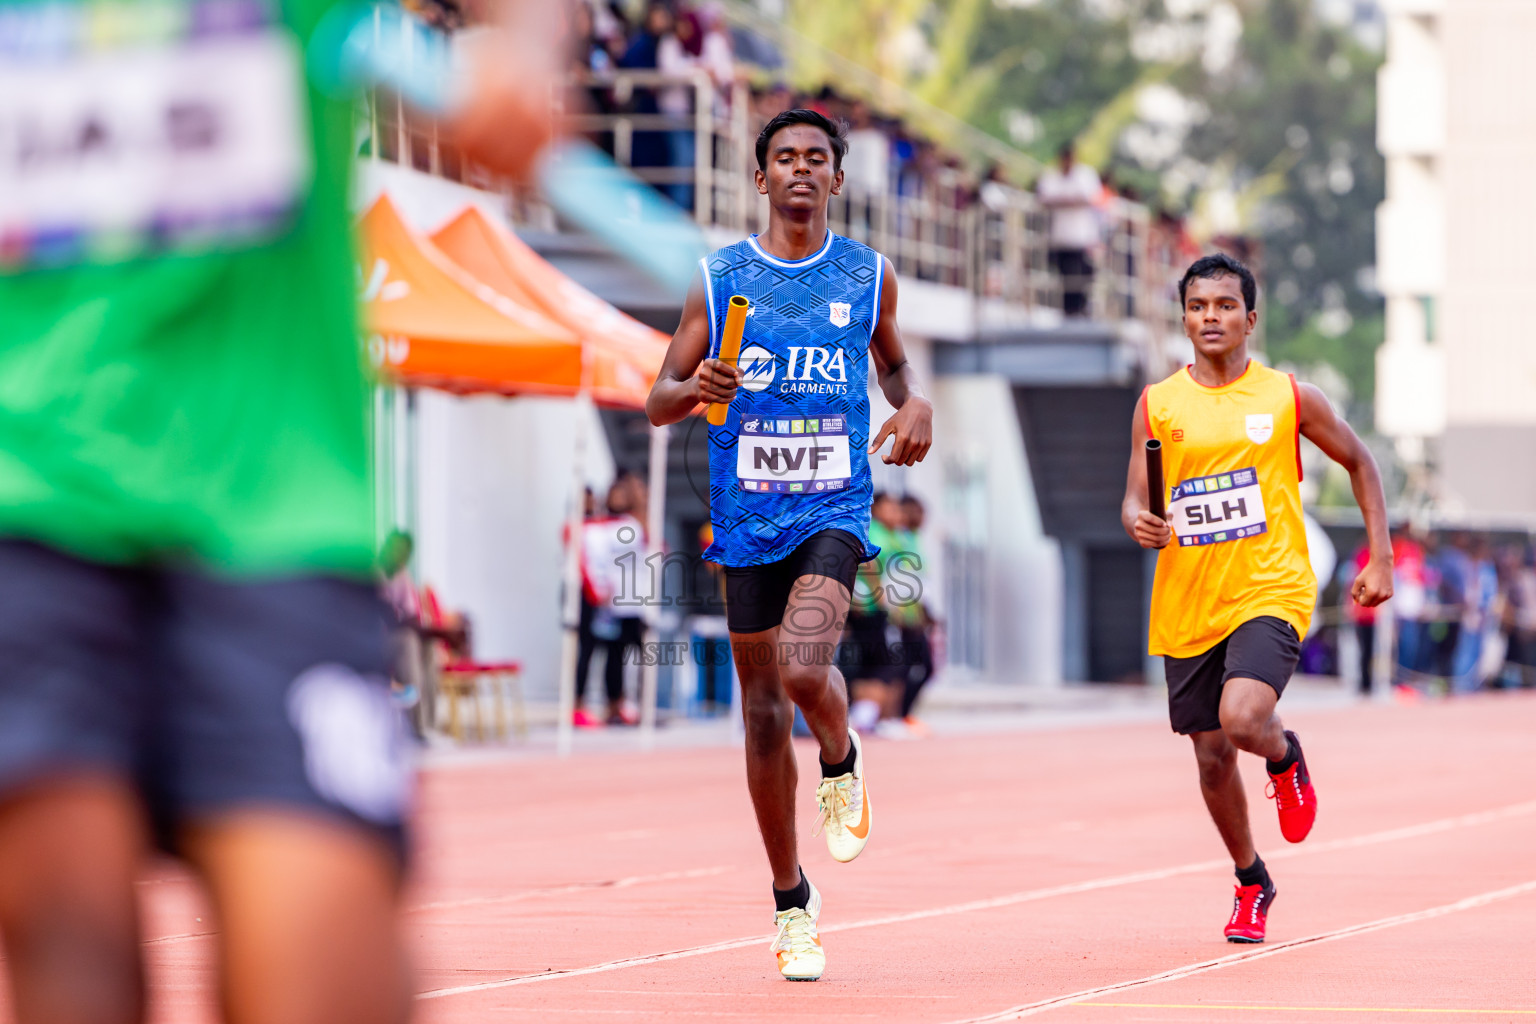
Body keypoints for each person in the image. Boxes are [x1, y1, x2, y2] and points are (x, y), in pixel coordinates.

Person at [0, 1, 559, 1020]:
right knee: (70, 963)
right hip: (25, 485)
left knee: (322, 967)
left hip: (271, 503)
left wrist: (521, 52)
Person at [646, 108, 932, 981]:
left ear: (837, 179)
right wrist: (695, 383)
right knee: (763, 711)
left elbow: (892, 364)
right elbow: (657, 399)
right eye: (784, 158)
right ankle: (791, 903)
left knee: (806, 668)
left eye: (817, 158)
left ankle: (840, 760)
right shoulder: (719, 278)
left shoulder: (868, 273)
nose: (801, 169)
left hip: (835, 507)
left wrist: (911, 401)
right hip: (745, 517)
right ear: (761, 177)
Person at [1122, 253, 1393, 945]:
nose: (1210, 316)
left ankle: (1281, 754)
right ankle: (1251, 880)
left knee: (1242, 719)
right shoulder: (1158, 404)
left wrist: (1380, 553)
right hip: (1187, 599)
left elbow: (1360, 461)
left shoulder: (1288, 397)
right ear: (1183, 317)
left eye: (1224, 305)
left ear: (1250, 317)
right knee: (1211, 758)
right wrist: (1138, 519)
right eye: (1197, 305)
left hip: (1270, 585)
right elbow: (1135, 497)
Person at [1036, 142, 1102, 317]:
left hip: (1082, 237)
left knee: (1082, 276)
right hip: (1060, 237)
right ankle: (1068, 311)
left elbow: (1090, 197)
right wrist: (1071, 201)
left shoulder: (1085, 174)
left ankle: (1080, 309)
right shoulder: (1051, 176)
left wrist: (1063, 201)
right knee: (1065, 277)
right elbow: (1044, 198)